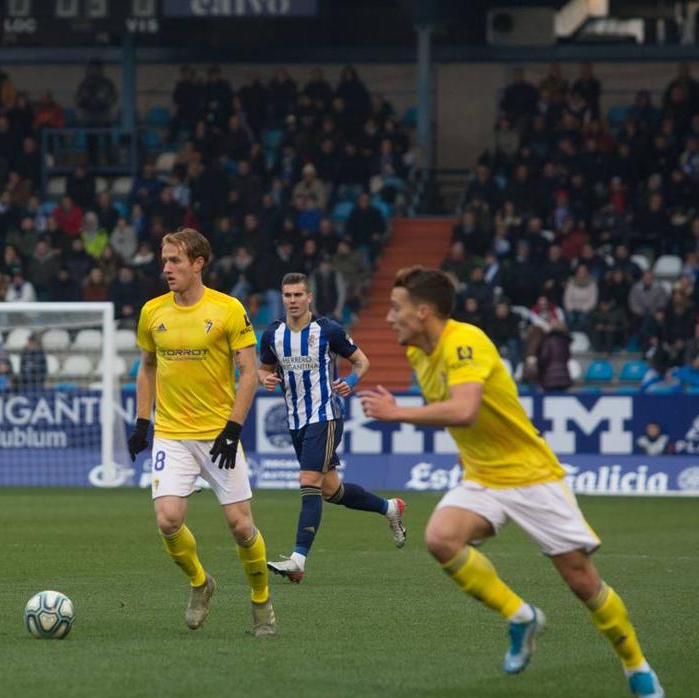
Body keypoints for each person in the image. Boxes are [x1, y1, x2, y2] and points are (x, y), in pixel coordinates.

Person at [360, 267, 664, 698]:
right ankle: (521, 616)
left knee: (581, 581)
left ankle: (637, 666)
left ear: (423, 312)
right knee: (441, 538)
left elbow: (464, 409)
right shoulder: (417, 355)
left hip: (531, 474)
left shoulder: (465, 341)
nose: (389, 317)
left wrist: (398, 412)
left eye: (397, 308)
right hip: (483, 476)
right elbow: (461, 421)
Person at [128, 228, 274, 637]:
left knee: (241, 526)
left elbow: (249, 374)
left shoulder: (228, 310)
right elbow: (147, 366)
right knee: (168, 519)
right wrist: (143, 421)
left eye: (175, 260)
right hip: (172, 434)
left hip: (218, 434)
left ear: (198, 264)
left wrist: (233, 429)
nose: (166, 268)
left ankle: (261, 600)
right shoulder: (152, 311)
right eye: (164, 260)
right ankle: (200, 583)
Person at [258, 273, 405, 583]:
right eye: (288, 295)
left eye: (298, 295)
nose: (293, 301)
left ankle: (298, 559)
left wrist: (350, 381)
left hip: (324, 415)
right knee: (331, 490)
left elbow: (362, 362)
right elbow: (264, 369)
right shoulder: (273, 334)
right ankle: (389, 507)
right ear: (283, 298)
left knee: (308, 480)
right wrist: (264, 378)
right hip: (295, 420)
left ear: (309, 297)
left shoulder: (328, 331)